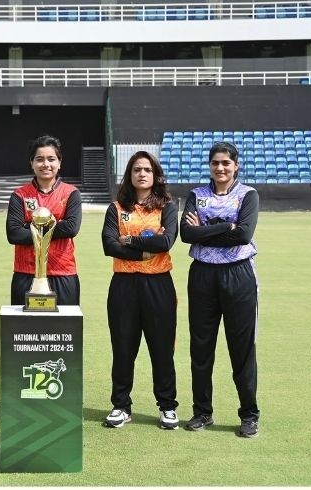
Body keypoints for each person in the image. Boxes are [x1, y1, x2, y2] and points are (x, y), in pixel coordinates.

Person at [180, 141, 261, 438]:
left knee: (241, 347)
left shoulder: (248, 195)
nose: (220, 168)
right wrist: (226, 226)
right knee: (201, 346)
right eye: (215, 162)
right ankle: (202, 411)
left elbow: (244, 235)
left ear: (236, 165)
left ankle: (249, 414)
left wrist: (205, 230)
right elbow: (186, 234)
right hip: (202, 274)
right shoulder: (197, 196)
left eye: (226, 162)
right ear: (209, 166)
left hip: (238, 274)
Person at [101, 151, 180, 429]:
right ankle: (121, 405)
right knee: (123, 347)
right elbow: (109, 245)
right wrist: (144, 251)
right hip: (124, 285)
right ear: (130, 175)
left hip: (159, 283)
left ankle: (167, 406)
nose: (142, 174)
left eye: (147, 170)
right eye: (137, 170)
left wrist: (128, 240)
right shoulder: (116, 208)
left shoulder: (167, 207)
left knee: (162, 348)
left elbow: (166, 242)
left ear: (155, 175)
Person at [6, 135, 82, 305]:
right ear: (31, 163)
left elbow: (71, 228)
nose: (46, 164)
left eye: (51, 159)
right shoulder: (20, 195)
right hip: (26, 272)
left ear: (59, 162)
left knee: (65, 323)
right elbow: (14, 234)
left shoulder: (71, 193)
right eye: (39, 159)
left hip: (63, 272)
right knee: (24, 323)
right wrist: (57, 223)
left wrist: (29, 225)